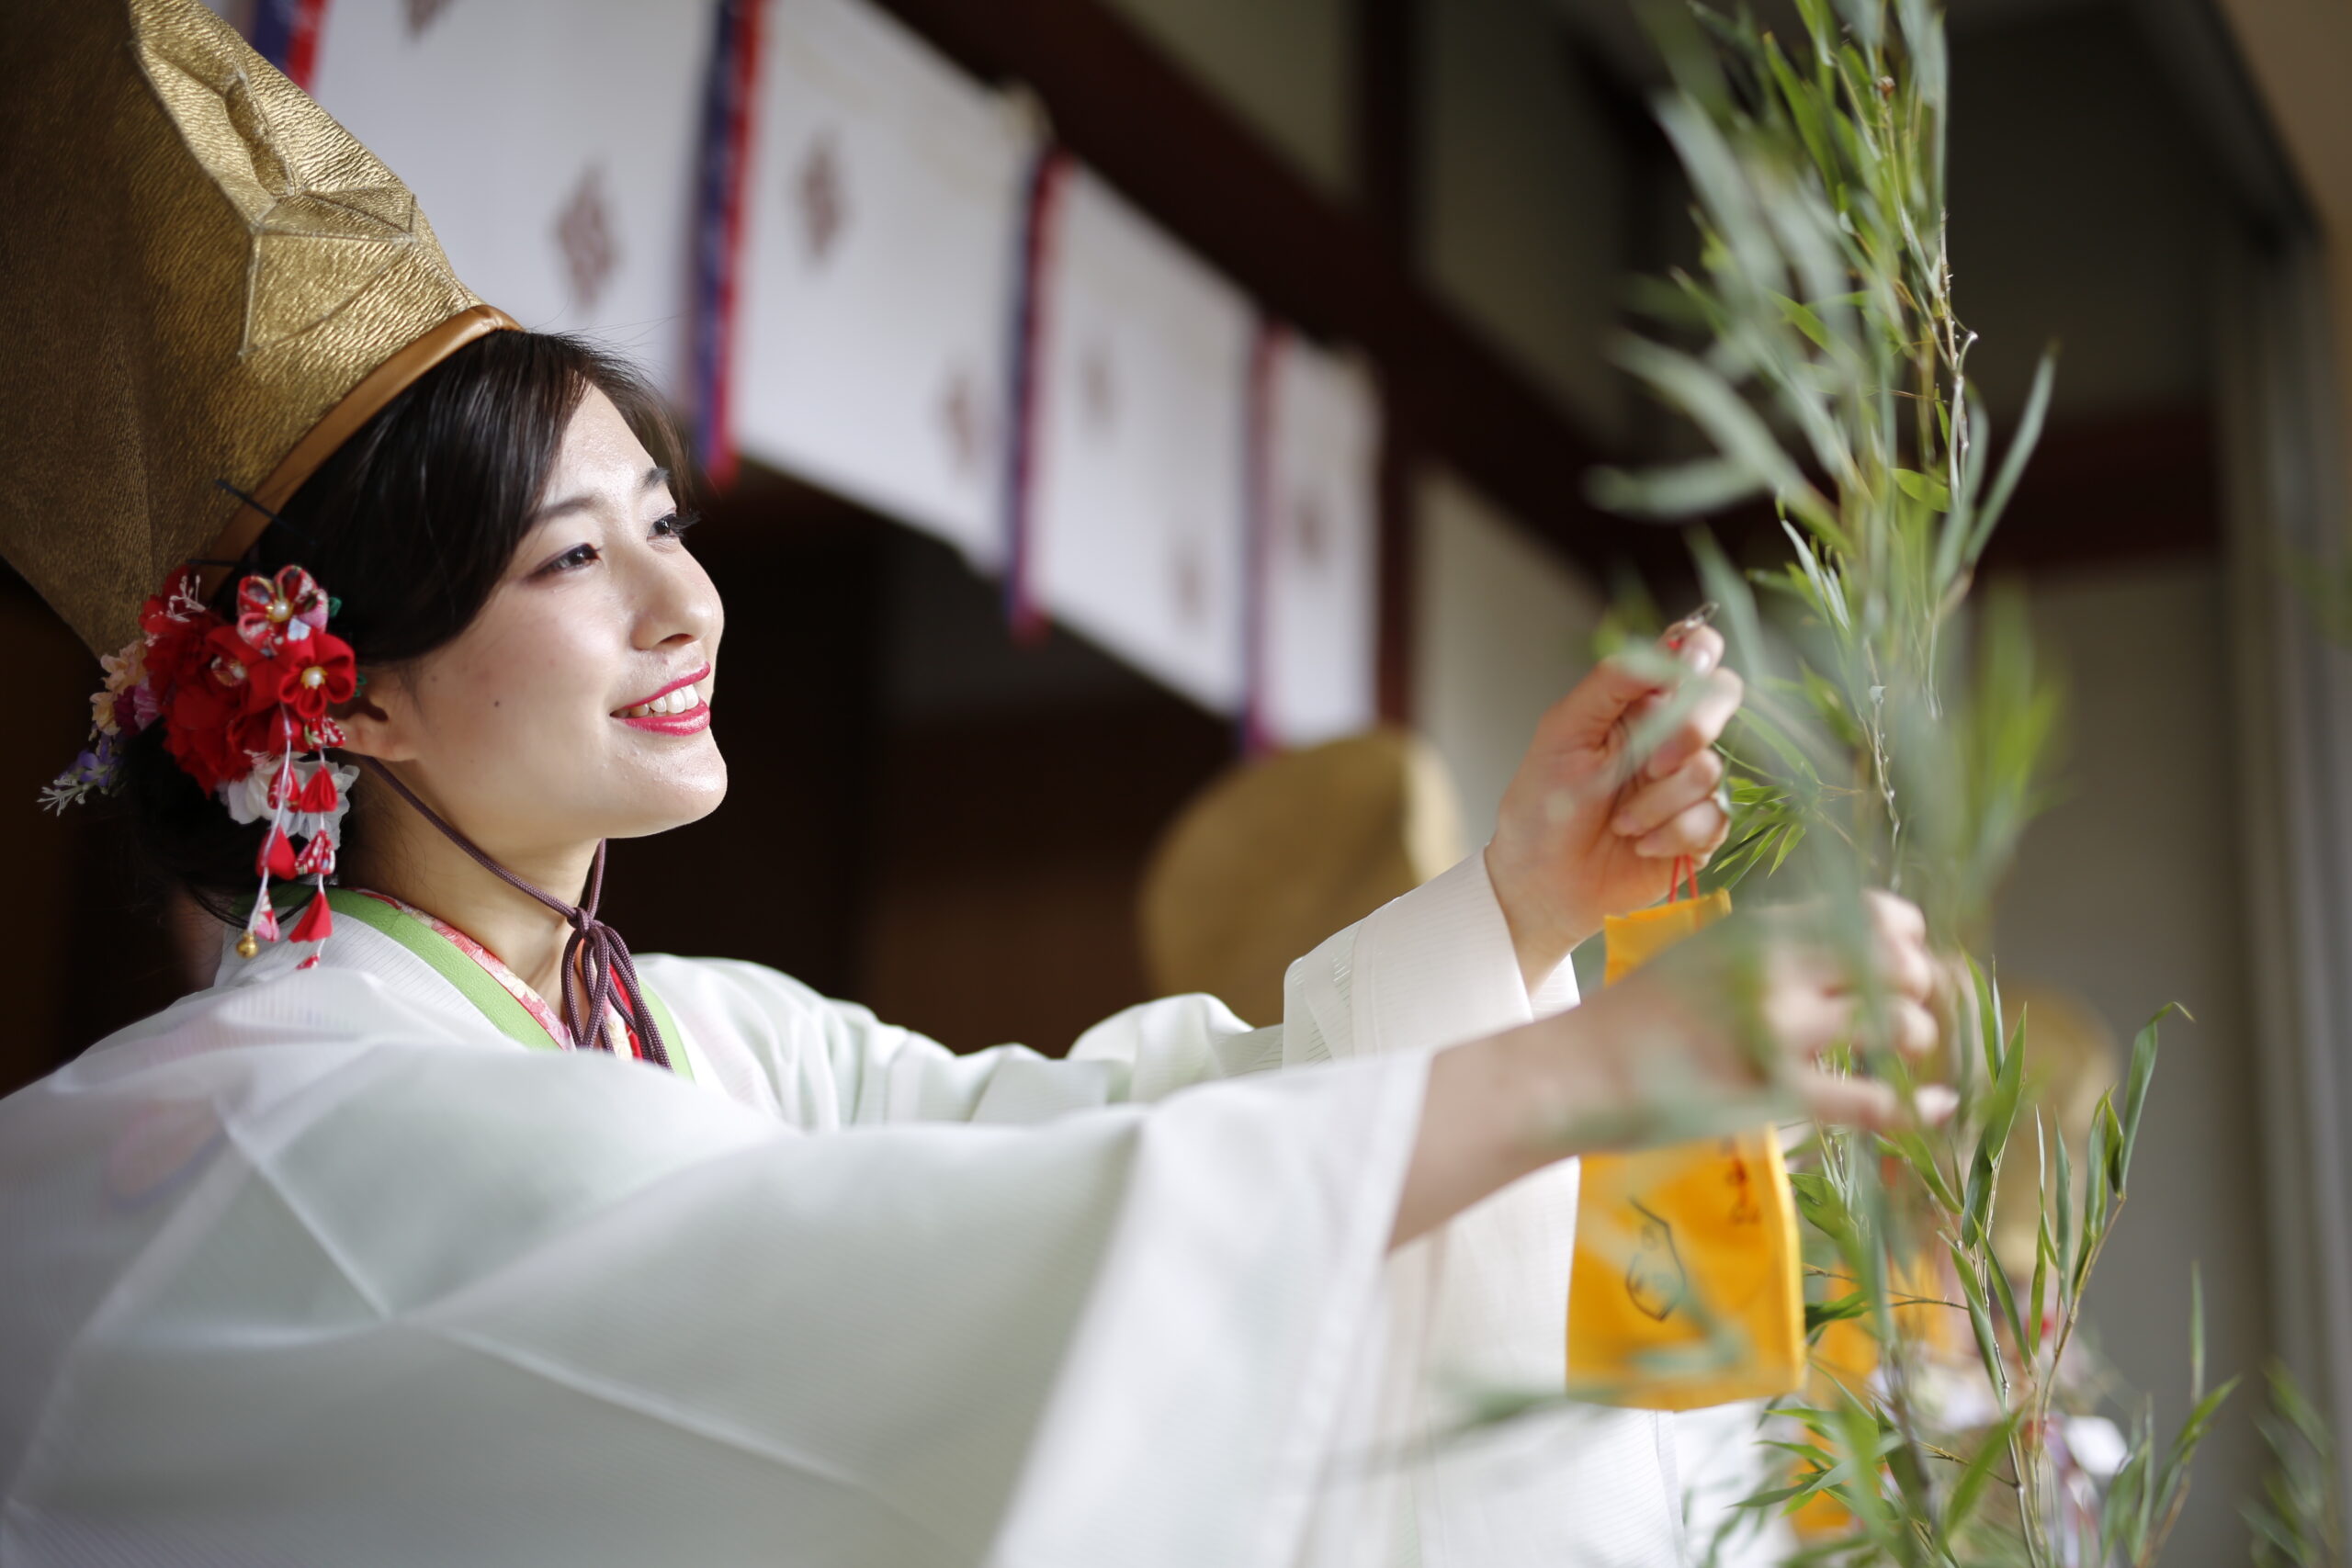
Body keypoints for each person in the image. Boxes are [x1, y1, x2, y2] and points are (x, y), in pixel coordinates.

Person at [0, 4, 1942, 1564]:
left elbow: (1057, 1142)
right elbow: (902, 1280)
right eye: (570, 558)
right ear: (338, 702)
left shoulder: (698, 1035)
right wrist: (1572, 1078)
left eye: (664, 521)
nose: (686, 600)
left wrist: (1520, 907)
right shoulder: (282, 1122)